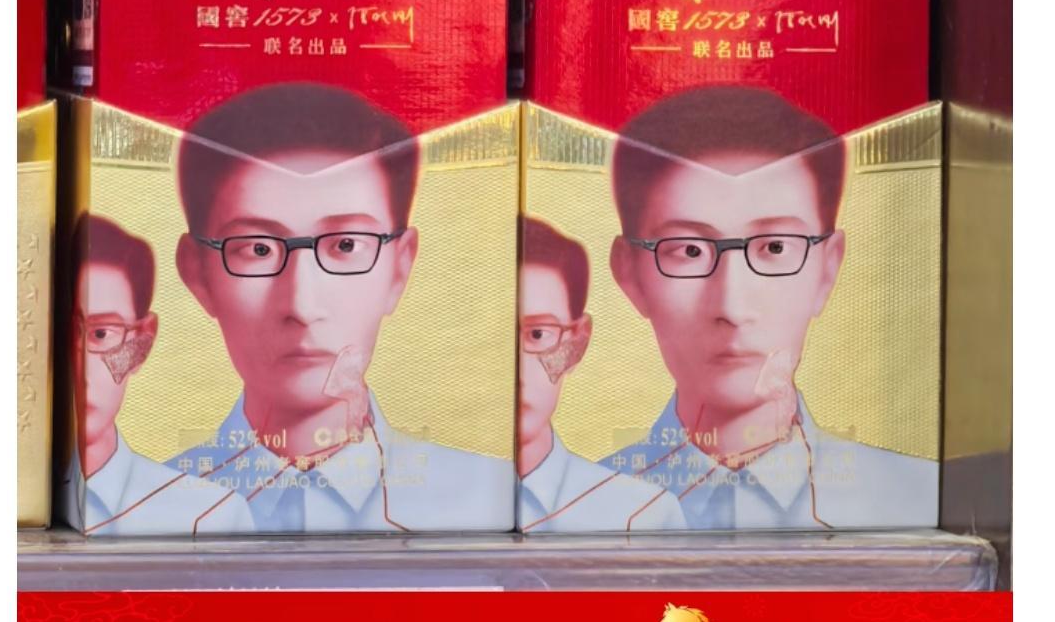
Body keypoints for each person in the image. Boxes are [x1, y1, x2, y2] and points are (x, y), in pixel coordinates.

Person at [172, 82, 514, 530]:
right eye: (258, 249)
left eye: (346, 245)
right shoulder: (146, 510)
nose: (302, 305)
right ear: (197, 274)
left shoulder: (488, 501)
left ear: (400, 268)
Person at [605, 85, 937, 529]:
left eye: (775, 247)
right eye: (689, 250)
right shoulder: (572, 511)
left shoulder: (922, 500)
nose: (732, 307)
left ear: (828, 269)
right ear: (629, 274)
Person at [61, 214, 252, 536]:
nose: (80, 371)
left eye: (101, 334)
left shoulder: (208, 516)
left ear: (143, 342)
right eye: (56, 333)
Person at [518, 217, 684, 531]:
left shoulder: (642, 515)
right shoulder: (420, 501)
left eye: (538, 334)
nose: (516, 371)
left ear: (578, 343)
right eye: (491, 336)